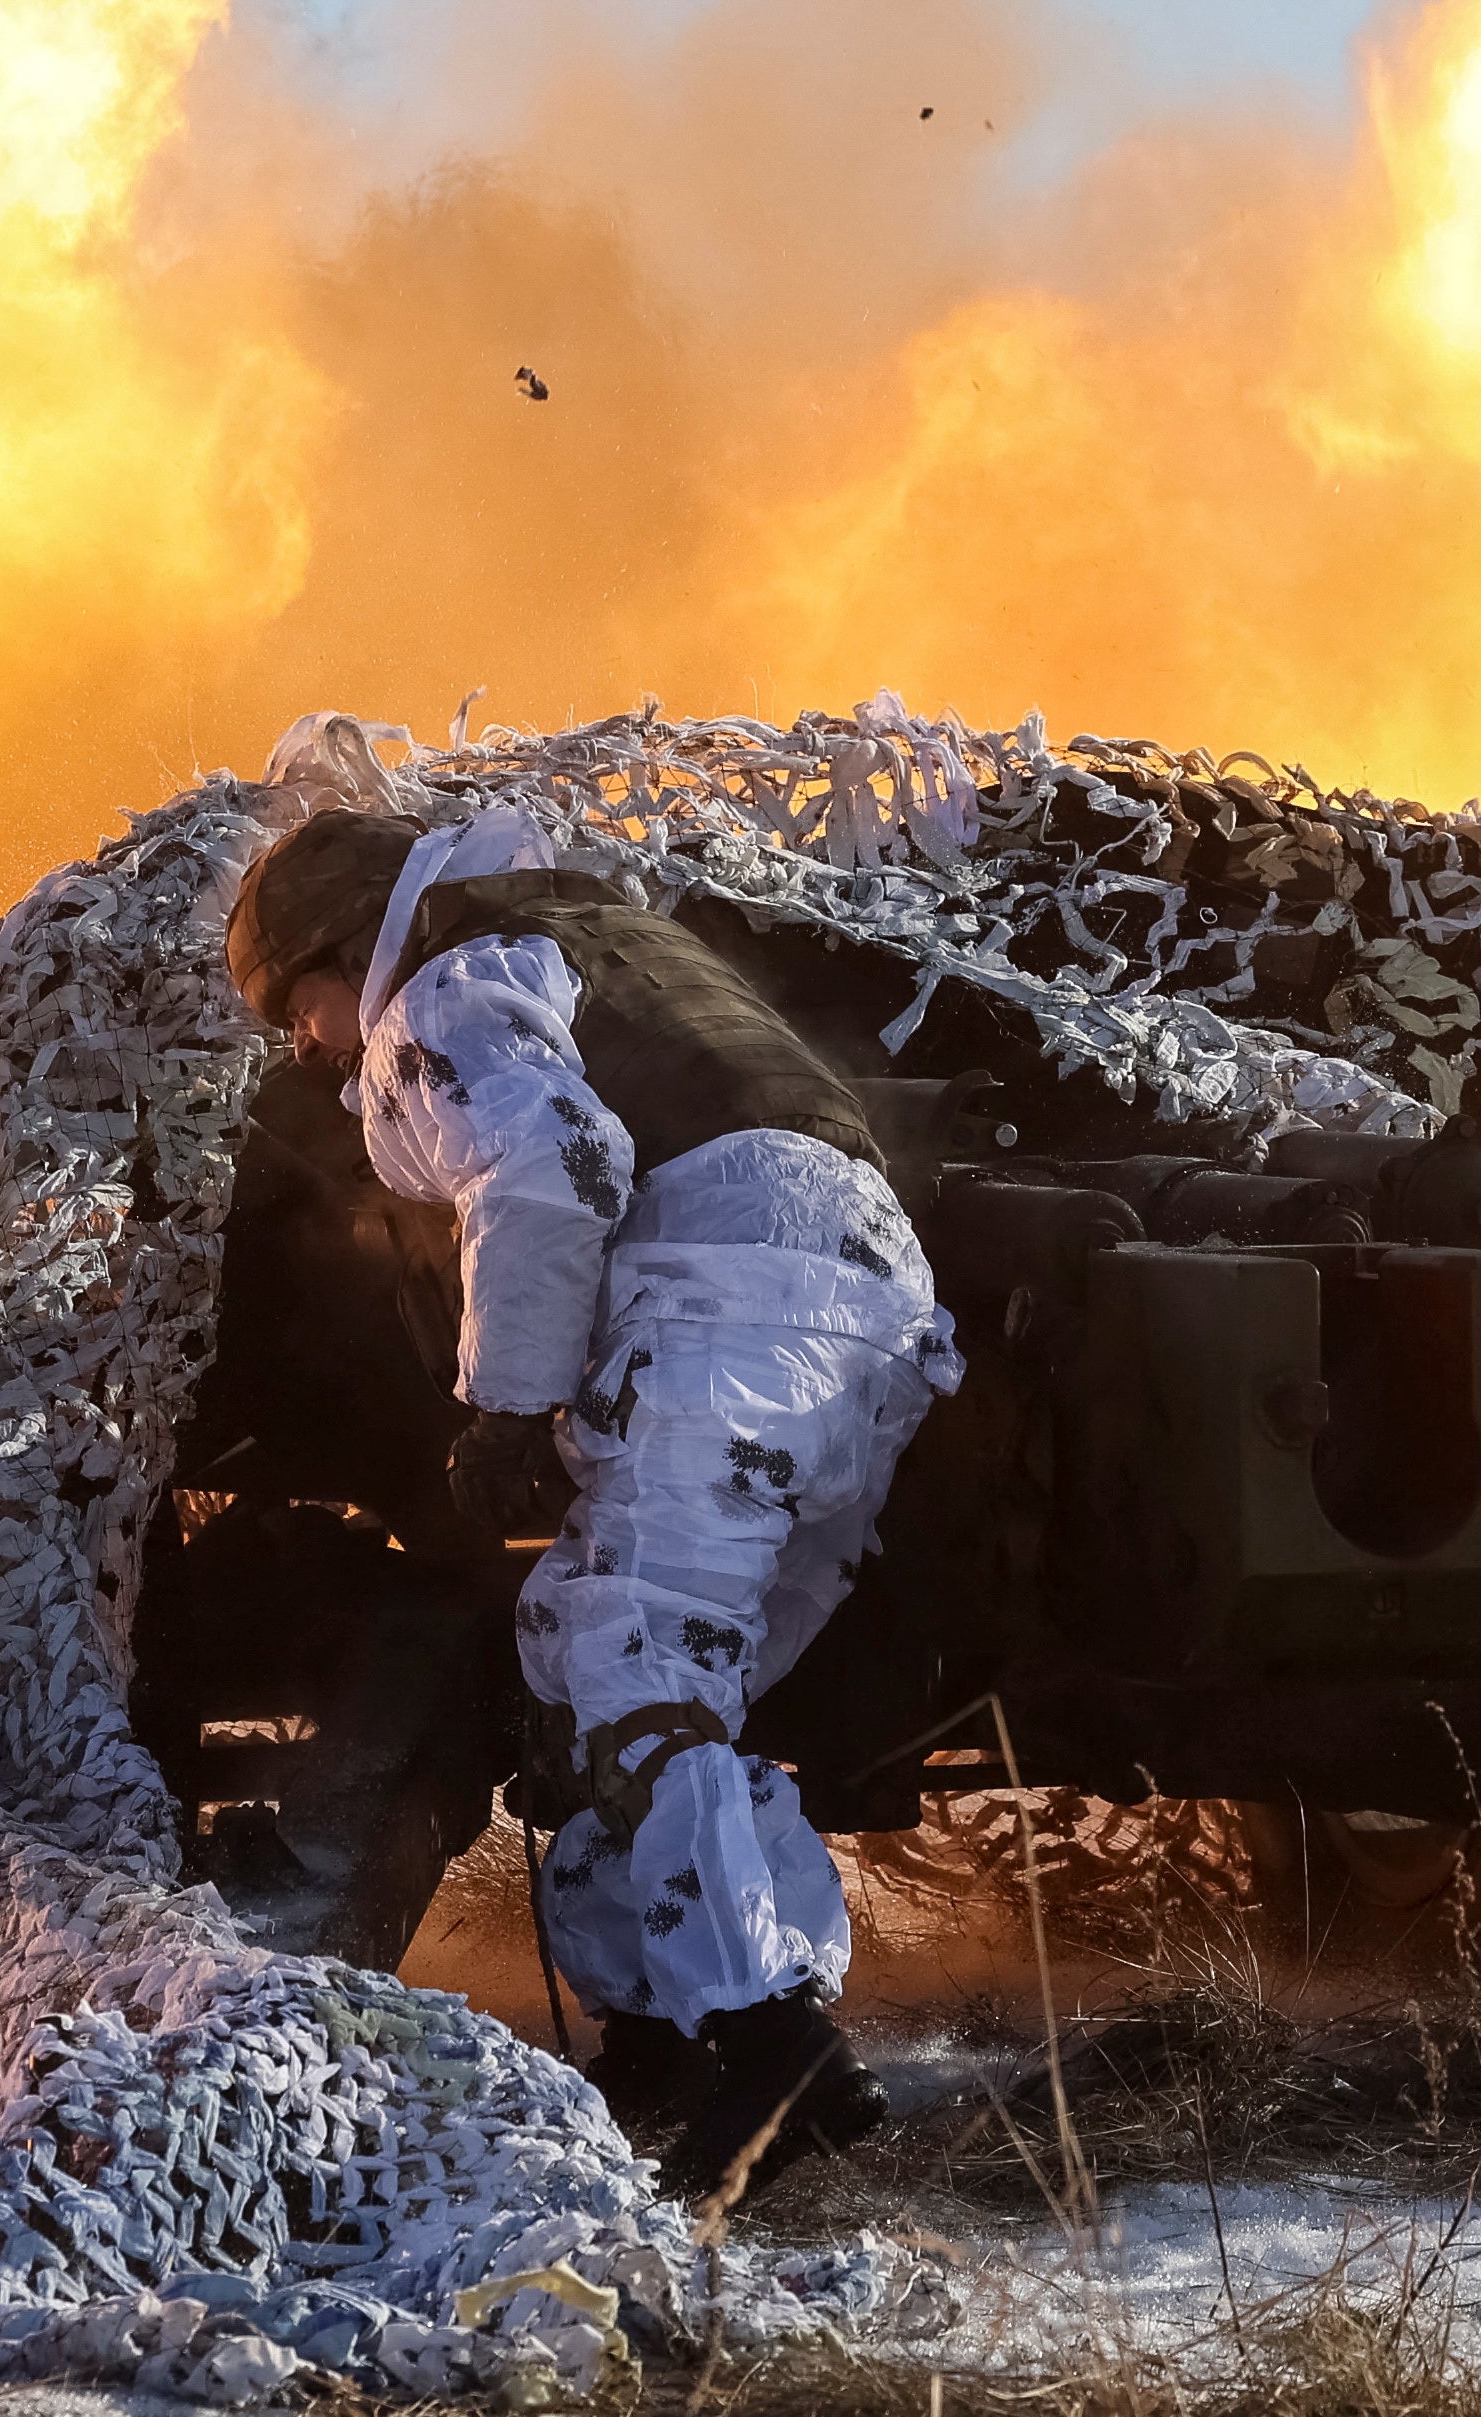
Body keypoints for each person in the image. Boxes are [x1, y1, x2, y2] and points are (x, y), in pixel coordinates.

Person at [223, 803, 961, 2194]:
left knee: (631, 1651)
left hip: (728, 1297)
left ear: (340, 951)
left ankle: (769, 2044)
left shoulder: (446, 984)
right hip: (862, 1301)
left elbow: (556, 1166)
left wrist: (504, 1402)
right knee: (620, 1670)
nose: (311, 1048)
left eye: (294, 1010)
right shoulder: (602, 941)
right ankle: (664, 2035)